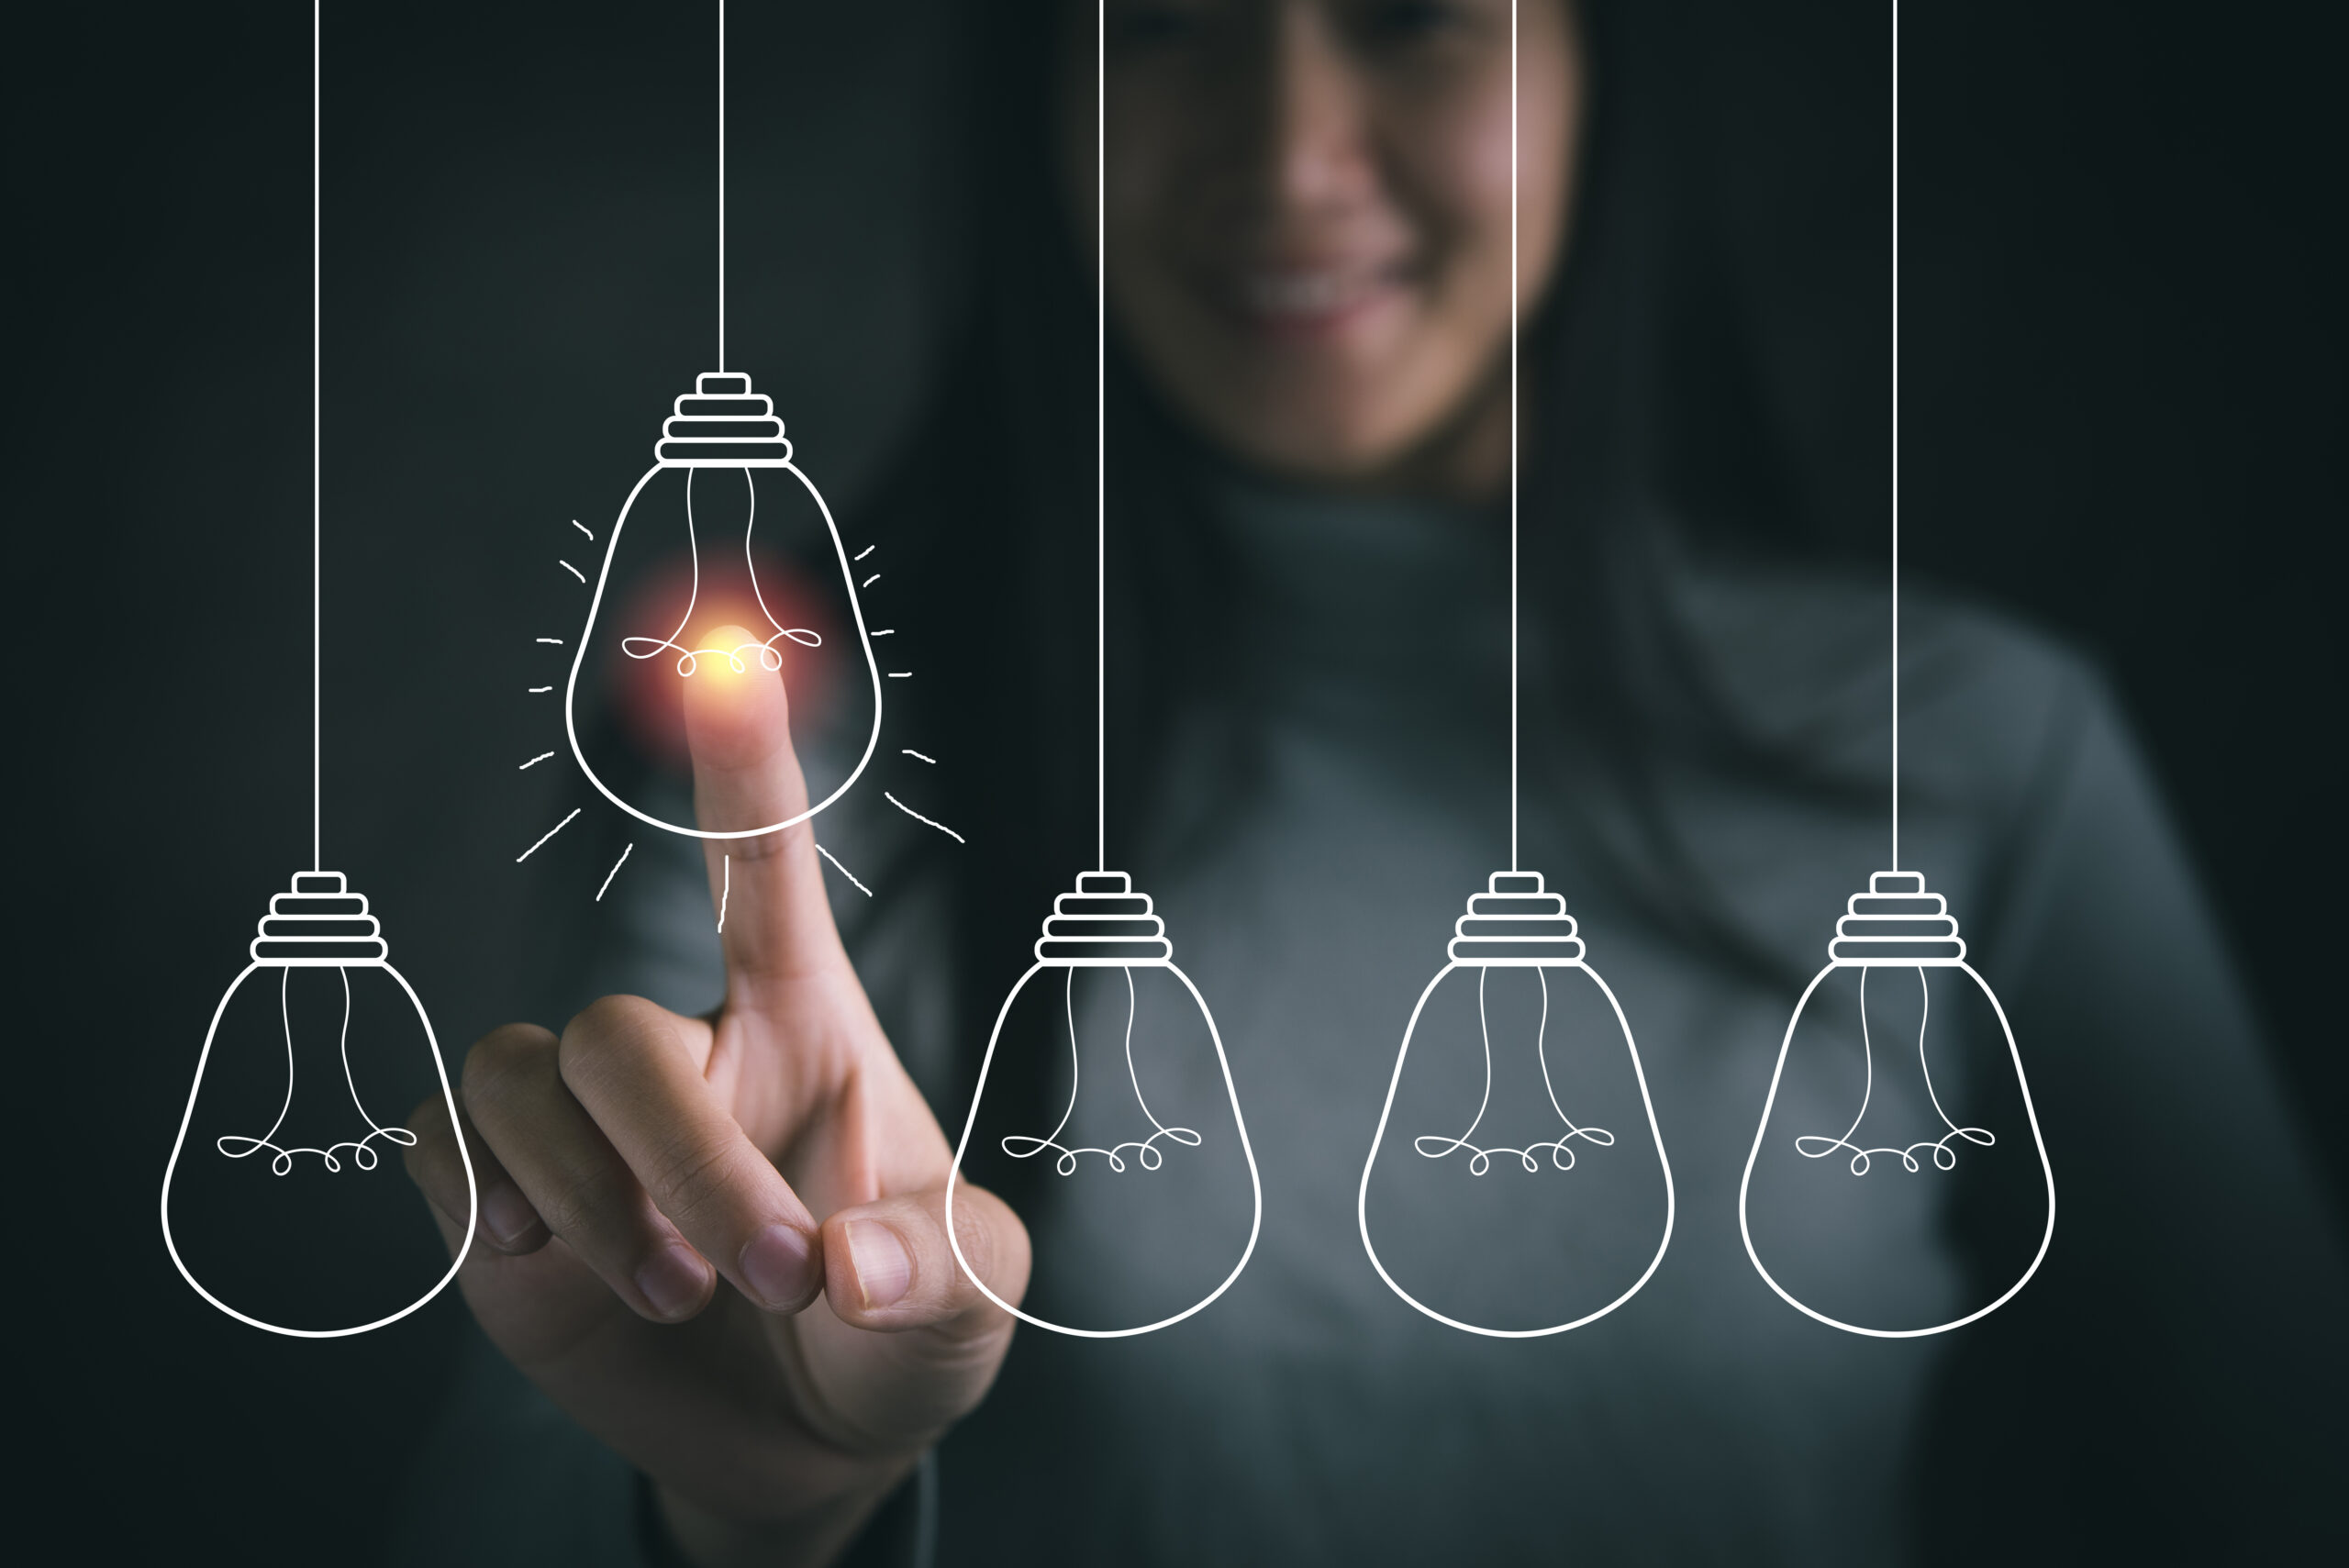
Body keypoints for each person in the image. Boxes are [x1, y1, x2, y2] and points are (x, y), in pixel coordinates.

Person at [396, 2, 2347, 1563]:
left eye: (1410, 15)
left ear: (1602, 64)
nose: (1284, 156)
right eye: (1162, 21)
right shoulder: (790, 775)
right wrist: (746, 1514)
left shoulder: (1977, 759)